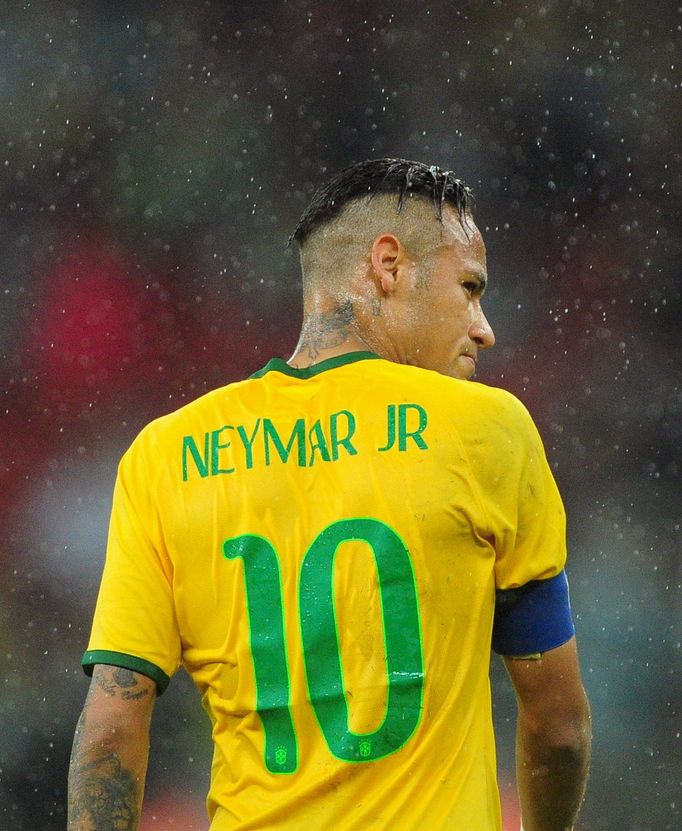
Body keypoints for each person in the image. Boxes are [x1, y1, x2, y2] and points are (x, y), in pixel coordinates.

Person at [68, 158, 591, 831]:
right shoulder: (486, 430)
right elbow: (558, 726)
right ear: (388, 264)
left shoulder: (166, 456)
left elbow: (112, 726)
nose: (484, 326)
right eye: (469, 287)